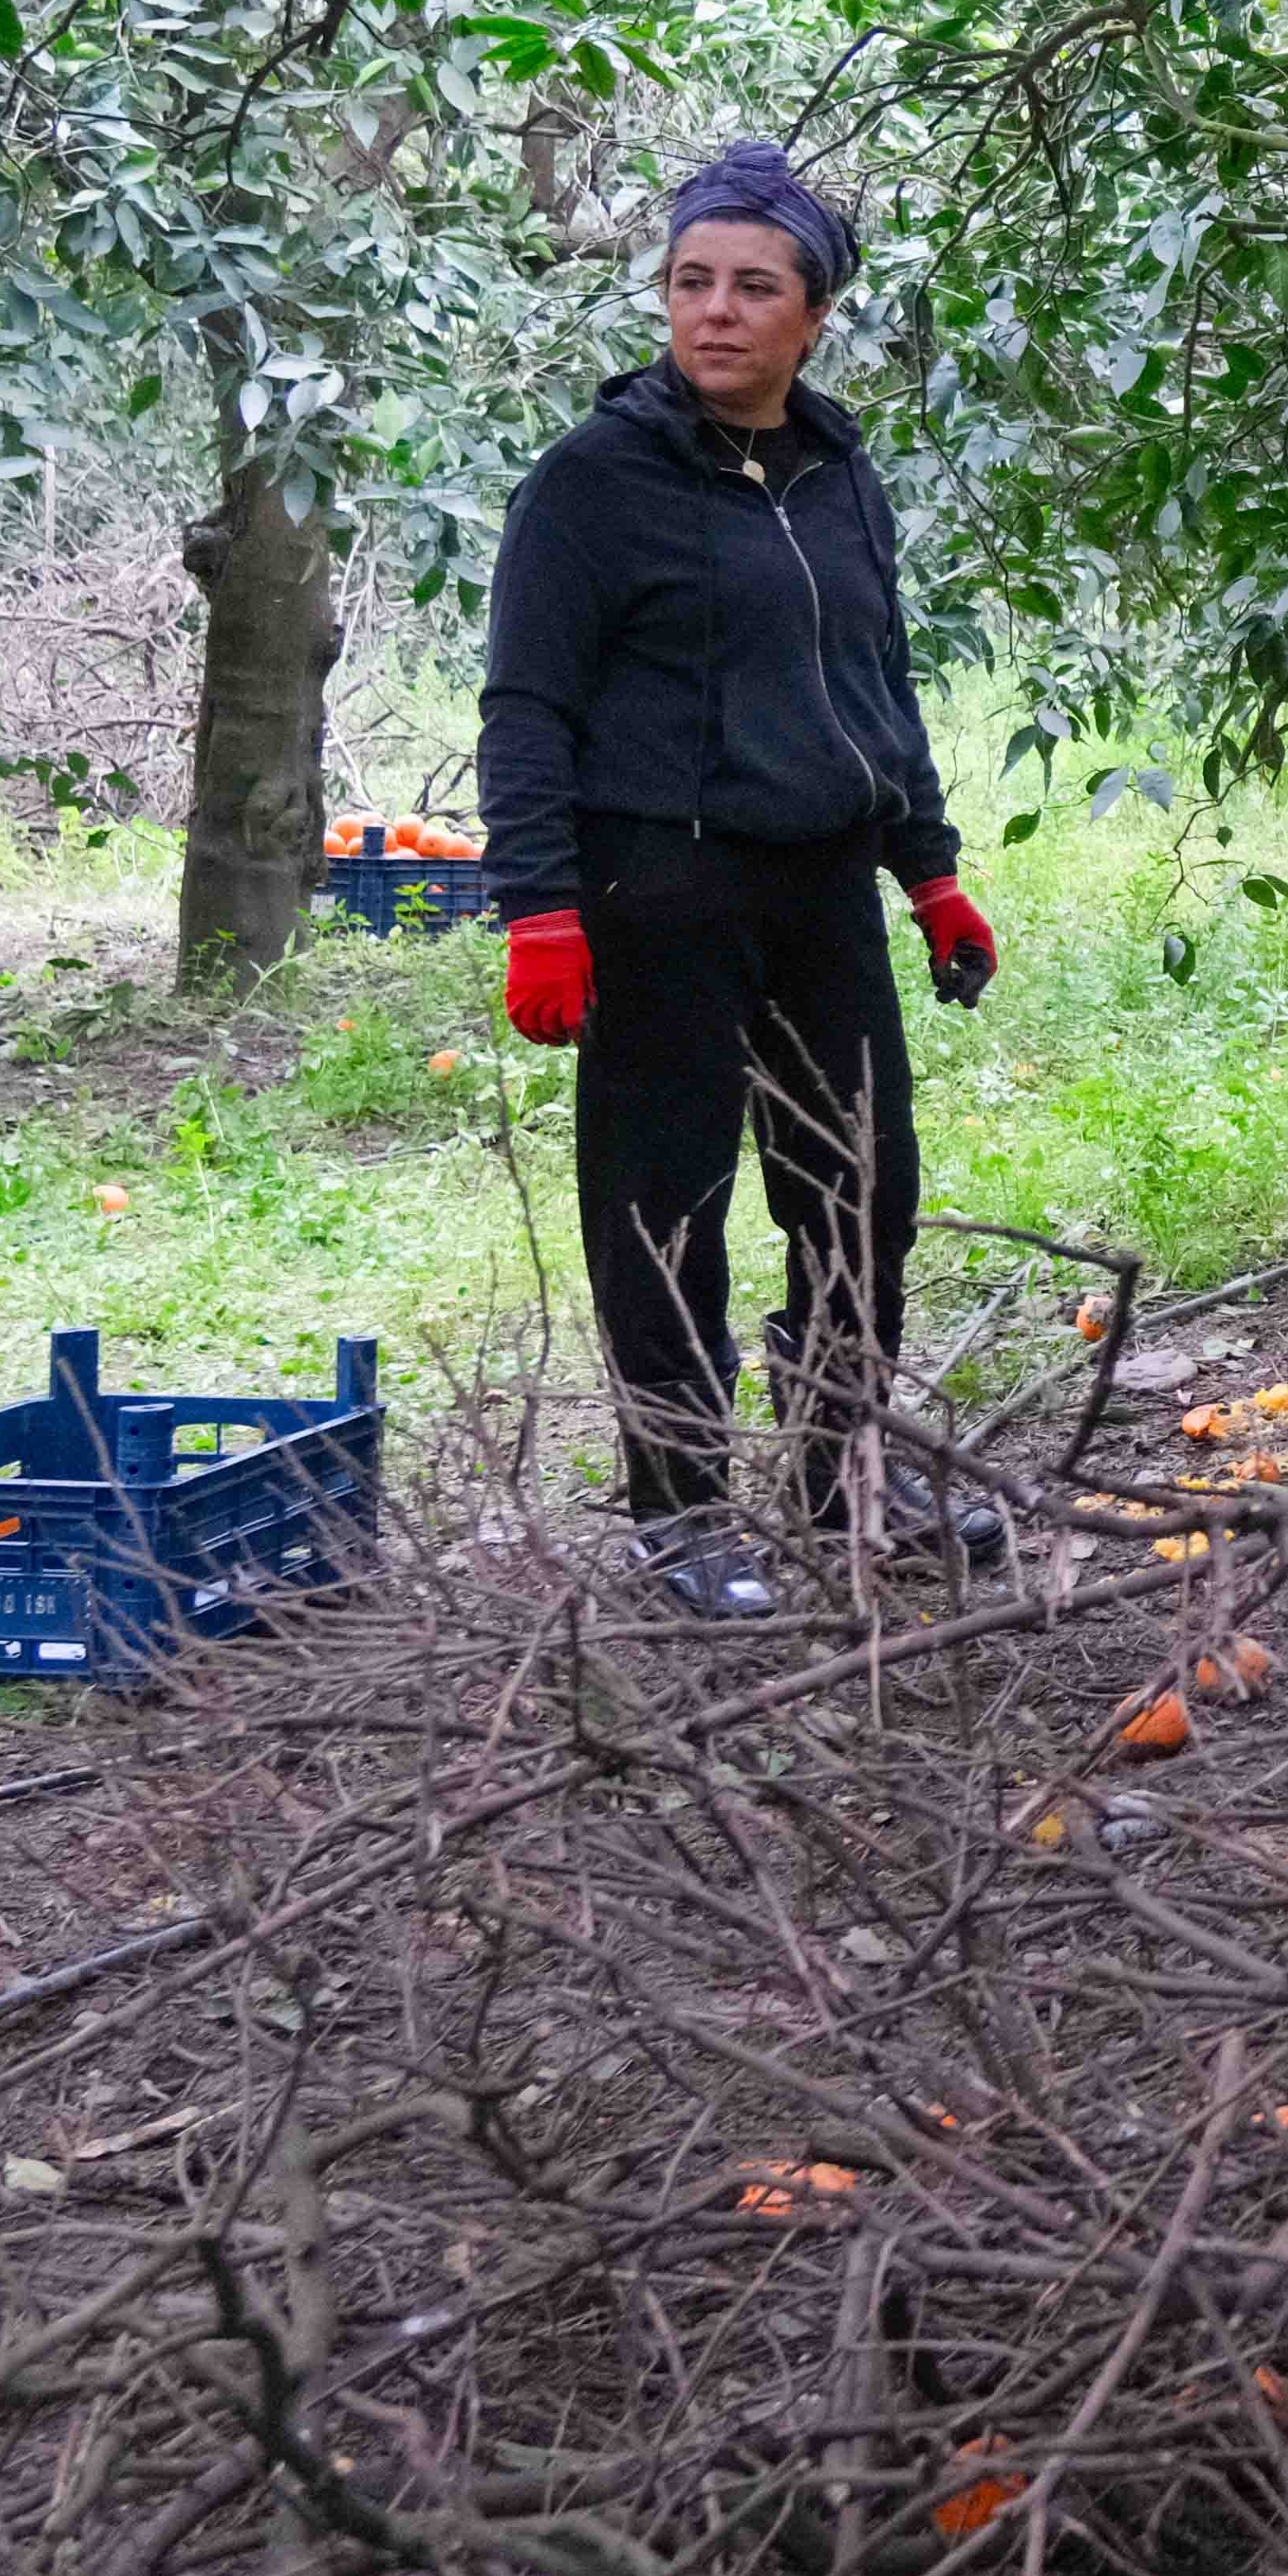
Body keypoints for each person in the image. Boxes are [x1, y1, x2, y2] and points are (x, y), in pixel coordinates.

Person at [480, 144, 1007, 1617]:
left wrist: (930, 872)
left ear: (813, 315)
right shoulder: (592, 484)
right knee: (667, 1205)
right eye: (691, 282)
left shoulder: (840, 475)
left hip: (822, 888)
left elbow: (877, 683)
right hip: (659, 893)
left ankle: (849, 1469)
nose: (715, 311)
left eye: (754, 287)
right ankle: (680, 1509)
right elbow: (525, 709)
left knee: (861, 1186)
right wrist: (540, 911)